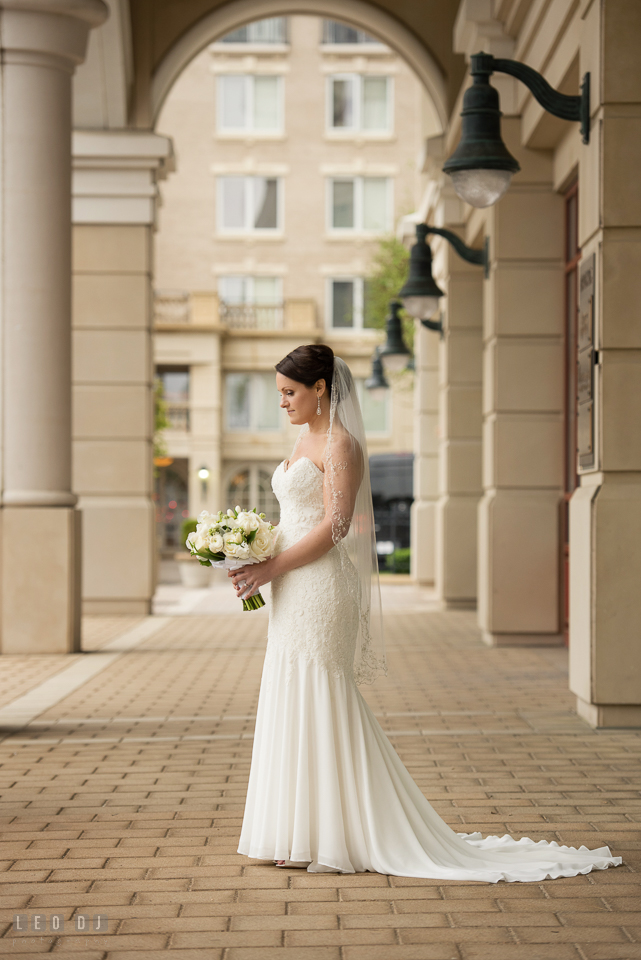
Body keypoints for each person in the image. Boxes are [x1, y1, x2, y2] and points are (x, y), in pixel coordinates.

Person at [229, 343, 621, 880]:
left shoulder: (342, 444)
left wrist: (271, 568)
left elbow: (334, 528)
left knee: (320, 689)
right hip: (289, 585)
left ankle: (336, 832)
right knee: (289, 686)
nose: (282, 402)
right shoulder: (303, 438)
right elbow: (294, 516)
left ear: (321, 389)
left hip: (320, 586)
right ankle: (296, 828)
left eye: (289, 392)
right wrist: (254, 552)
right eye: (279, 393)